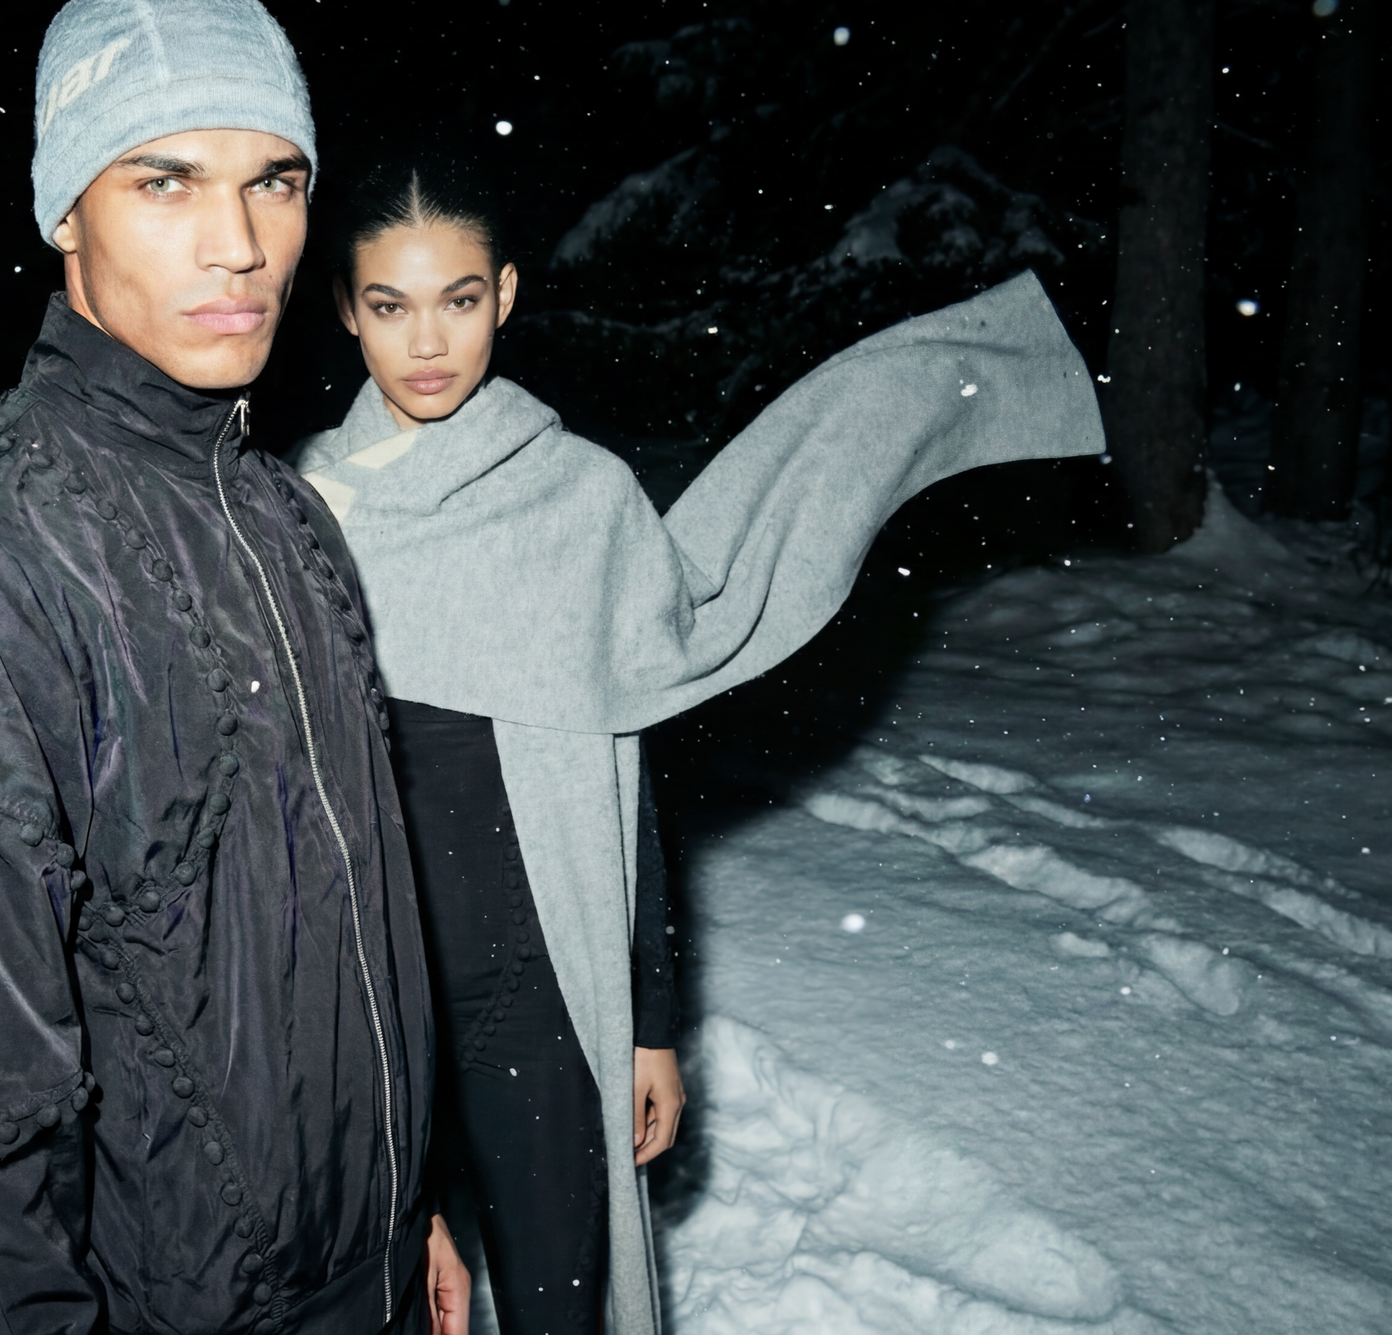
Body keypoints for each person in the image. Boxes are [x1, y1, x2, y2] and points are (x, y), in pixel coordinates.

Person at [294, 160, 1106, 1335]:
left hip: (546, 992)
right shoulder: (307, 516)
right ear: (346, 308)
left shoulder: (578, 501)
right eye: (390, 305)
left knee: (562, 1305)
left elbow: (622, 785)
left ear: (506, 295)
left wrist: (647, 1023)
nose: (428, 340)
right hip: (369, 1004)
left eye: (459, 299)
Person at [0, 0, 446, 1335]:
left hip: (363, 1274)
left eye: (276, 180)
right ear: (64, 212)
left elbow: (353, 931)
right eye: (165, 181)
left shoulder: (281, 512)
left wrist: (409, 1201)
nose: (241, 244)